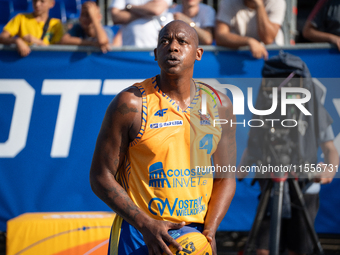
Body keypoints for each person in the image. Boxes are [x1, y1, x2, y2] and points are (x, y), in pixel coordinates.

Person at [90, 20, 236, 255]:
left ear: (198, 53)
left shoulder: (219, 105)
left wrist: (209, 231)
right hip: (139, 233)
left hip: (193, 234)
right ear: (156, 53)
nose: (173, 47)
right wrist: (144, 223)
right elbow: (101, 175)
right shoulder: (131, 103)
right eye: (165, 41)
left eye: (182, 41)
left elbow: (225, 177)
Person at [237, 52, 339, 255]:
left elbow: (330, 150)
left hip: (305, 187)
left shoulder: (314, 109)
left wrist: (329, 170)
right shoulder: (264, 109)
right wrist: (238, 173)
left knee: (298, 249)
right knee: (262, 248)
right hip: (270, 183)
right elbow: (253, 144)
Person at [215, 0, 286, 59]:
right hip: (237, 58)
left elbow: (267, 39)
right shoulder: (228, 1)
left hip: (271, 59)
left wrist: (259, 5)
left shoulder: (277, 2)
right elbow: (220, 36)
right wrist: (248, 41)